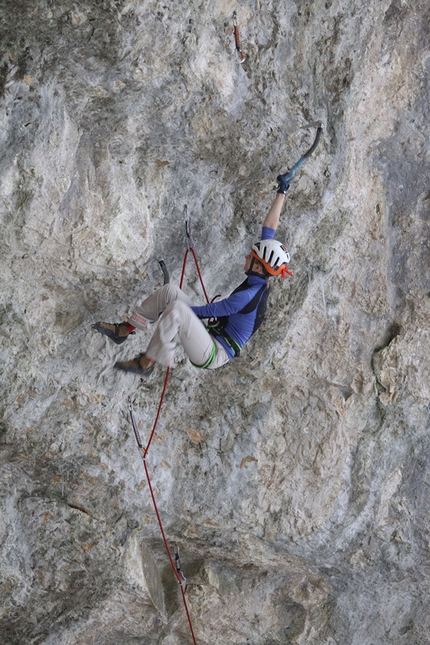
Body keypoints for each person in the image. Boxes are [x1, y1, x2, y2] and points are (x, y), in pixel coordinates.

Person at [92, 174, 292, 377]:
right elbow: (269, 228)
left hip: (213, 352)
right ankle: (125, 329)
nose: (246, 256)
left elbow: (210, 310)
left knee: (177, 310)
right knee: (169, 292)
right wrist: (281, 192)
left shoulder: (247, 296)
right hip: (210, 333)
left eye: (251, 256)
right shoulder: (260, 272)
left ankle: (146, 363)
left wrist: (176, 313)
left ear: (258, 267)